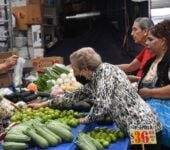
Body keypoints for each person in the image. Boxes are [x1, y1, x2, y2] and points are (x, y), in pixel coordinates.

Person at [28, 47, 162, 150]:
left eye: (75, 70)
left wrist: (86, 119)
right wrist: (44, 104)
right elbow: (74, 95)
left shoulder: (105, 74)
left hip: (142, 126)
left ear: (85, 69)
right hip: (137, 125)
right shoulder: (98, 76)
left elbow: (101, 106)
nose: (76, 73)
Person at [138, 20, 170, 149]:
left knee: (148, 145)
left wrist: (150, 93)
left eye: (150, 40)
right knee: (140, 145)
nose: (146, 43)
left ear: (163, 41)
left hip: (163, 119)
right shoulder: (150, 62)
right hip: (146, 117)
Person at [118, 17, 154, 82]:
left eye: (135, 29)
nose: (132, 33)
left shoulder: (156, 51)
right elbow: (130, 67)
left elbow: (153, 80)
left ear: (145, 31)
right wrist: (107, 67)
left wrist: (134, 79)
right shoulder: (146, 50)